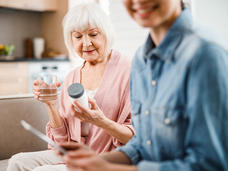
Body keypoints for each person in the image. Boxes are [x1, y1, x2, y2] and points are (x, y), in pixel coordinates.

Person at [57, 0, 228, 171]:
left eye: (93, 34)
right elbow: (143, 145)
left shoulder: (205, 56)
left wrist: (108, 168)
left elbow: (211, 165)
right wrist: (95, 162)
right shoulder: (141, 60)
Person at [7, 2, 134, 171]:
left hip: (108, 158)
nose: (86, 43)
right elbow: (61, 142)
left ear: (106, 34)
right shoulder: (73, 76)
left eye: (93, 34)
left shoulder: (129, 71)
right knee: (18, 161)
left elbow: (137, 139)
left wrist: (101, 122)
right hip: (75, 154)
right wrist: (52, 105)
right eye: (78, 37)